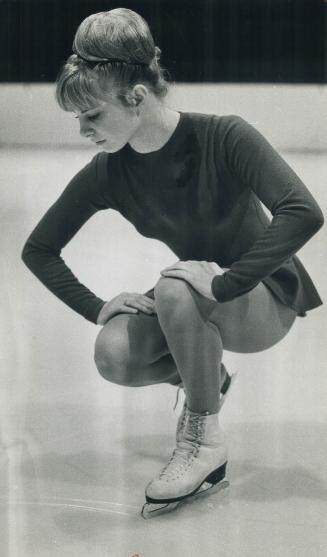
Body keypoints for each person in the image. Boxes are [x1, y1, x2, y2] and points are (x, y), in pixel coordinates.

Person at [21, 8, 324, 517]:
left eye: (91, 115)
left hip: (265, 298)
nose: (83, 130)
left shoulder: (224, 135)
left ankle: (203, 441)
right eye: (77, 118)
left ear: (136, 97)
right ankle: (208, 376)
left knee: (173, 287)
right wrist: (97, 307)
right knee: (114, 352)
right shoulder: (109, 173)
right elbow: (38, 250)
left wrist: (228, 282)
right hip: (198, 299)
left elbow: (303, 212)